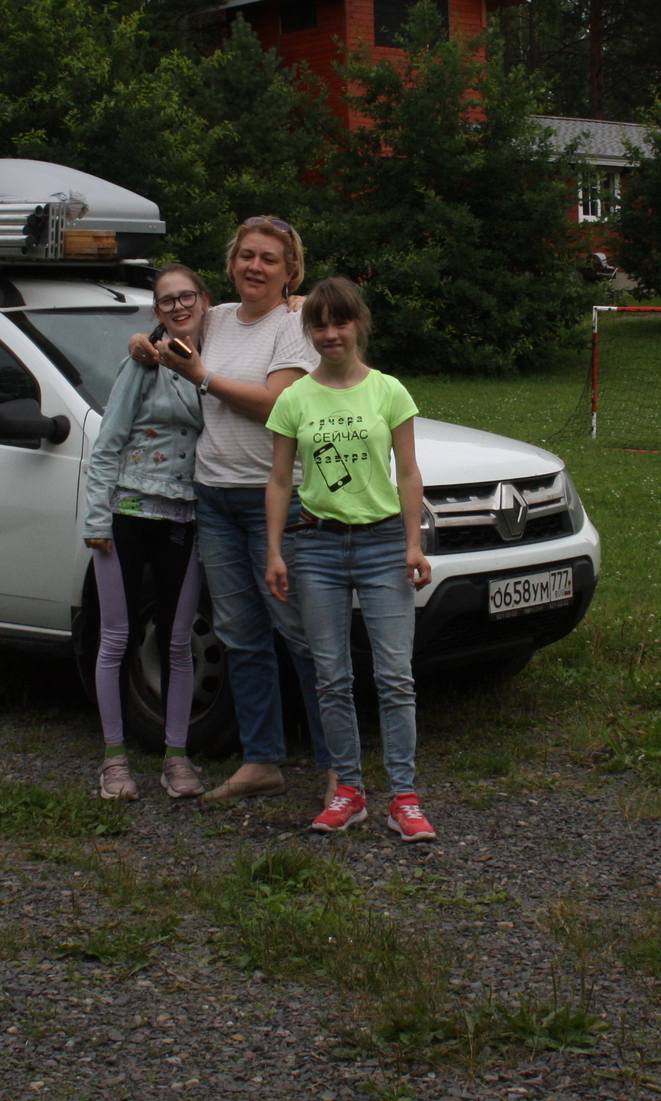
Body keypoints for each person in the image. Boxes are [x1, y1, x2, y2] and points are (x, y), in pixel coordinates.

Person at [134, 217, 336, 805]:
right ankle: (262, 761)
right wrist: (139, 345)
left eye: (269, 259)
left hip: (277, 501)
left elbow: (278, 405)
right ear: (230, 263)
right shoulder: (215, 318)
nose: (255, 266)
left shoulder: (294, 323)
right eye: (246, 255)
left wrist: (202, 375)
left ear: (291, 271)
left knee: (302, 635)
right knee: (242, 637)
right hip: (215, 497)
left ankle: (337, 767)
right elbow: (157, 337)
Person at [263, 277, 437, 843]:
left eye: (341, 322)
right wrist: (274, 551)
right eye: (319, 324)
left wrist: (414, 543)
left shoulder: (389, 391)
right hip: (315, 547)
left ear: (359, 324)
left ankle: (404, 798)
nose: (331, 333)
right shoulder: (294, 397)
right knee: (331, 676)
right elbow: (280, 479)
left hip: (384, 543)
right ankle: (349, 792)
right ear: (308, 331)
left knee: (395, 676)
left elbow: (408, 472)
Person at [82, 265, 212, 800]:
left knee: (178, 641)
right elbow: (107, 444)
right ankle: (114, 760)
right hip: (125, 513)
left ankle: (176, 758)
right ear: (156, 311)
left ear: (204, 300)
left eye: (186, 297)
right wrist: (95, 520)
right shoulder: (142, 362)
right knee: (117, 637)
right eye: (166, 301)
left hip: (185, 516)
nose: (178, 307)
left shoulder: (211, 363)